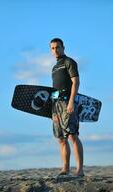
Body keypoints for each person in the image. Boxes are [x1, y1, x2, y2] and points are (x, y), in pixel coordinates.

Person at [50, 38, 84, 176]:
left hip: (67, 102)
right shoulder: (54, 67)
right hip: (56, 104)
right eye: (52, 48)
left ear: (63, 47)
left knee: (72, 135)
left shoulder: (69, 62)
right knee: (60, 138)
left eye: (57, 47)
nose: (55, 50)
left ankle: (80, 170)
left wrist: (71, 101)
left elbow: (75, 82)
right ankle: (65, 169)